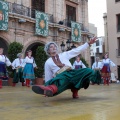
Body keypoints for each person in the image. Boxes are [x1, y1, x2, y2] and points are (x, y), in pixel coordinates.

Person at [32, 37, 101, 98]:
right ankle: (49, 90)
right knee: (61, 79)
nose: (54, 47)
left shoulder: (64, 54)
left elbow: (76, 50)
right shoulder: (48, 62)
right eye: (51, 47)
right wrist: (47, 86)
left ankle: (75, 90)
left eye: (55, 46)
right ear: (48, 50)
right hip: (61, 76)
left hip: (72, 72)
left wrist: (88, 43)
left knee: (88, 71)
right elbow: (48, 76)